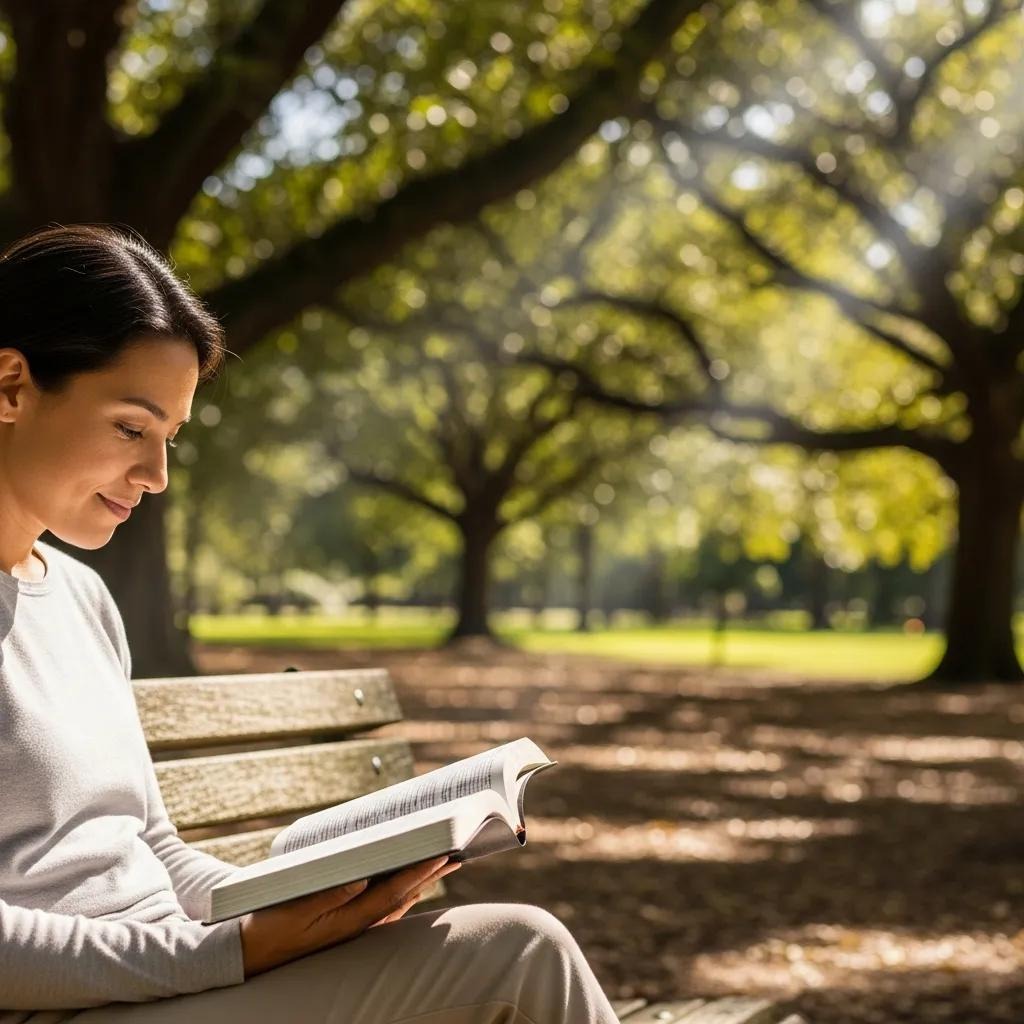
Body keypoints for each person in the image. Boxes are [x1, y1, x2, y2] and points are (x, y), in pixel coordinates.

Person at [0, 224, 622, 1023]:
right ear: (11, 385)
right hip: (76, 1006)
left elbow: (150, 847)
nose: (156, 476)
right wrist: (235, 950)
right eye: (131, 428)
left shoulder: (82, 597)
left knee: (519, 947)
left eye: (169, 440)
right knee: (519, 957)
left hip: (178, 978)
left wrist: (315, 905)